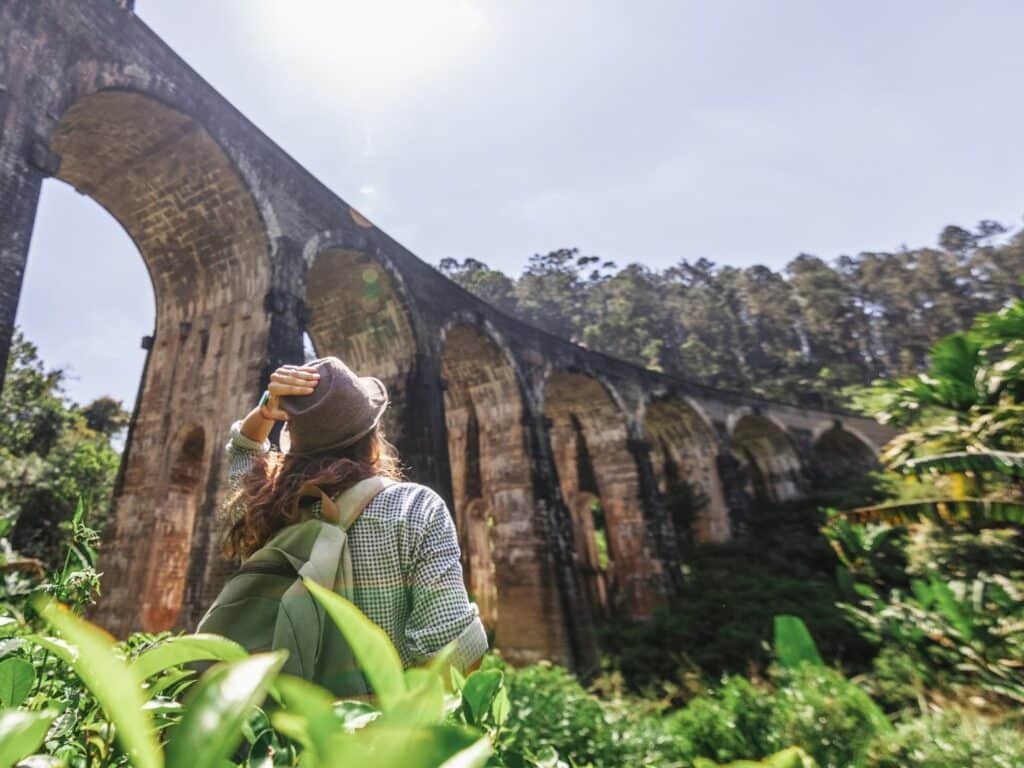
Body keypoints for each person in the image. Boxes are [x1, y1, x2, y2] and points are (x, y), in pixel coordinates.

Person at [220, 357, 487, 674]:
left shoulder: (267, 508)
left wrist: (266, 410)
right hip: (380, 720)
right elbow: (456, 655)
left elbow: (243, 451)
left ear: (296, 440)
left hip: (278, 718)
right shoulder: (415, 508)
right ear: (372, 438)